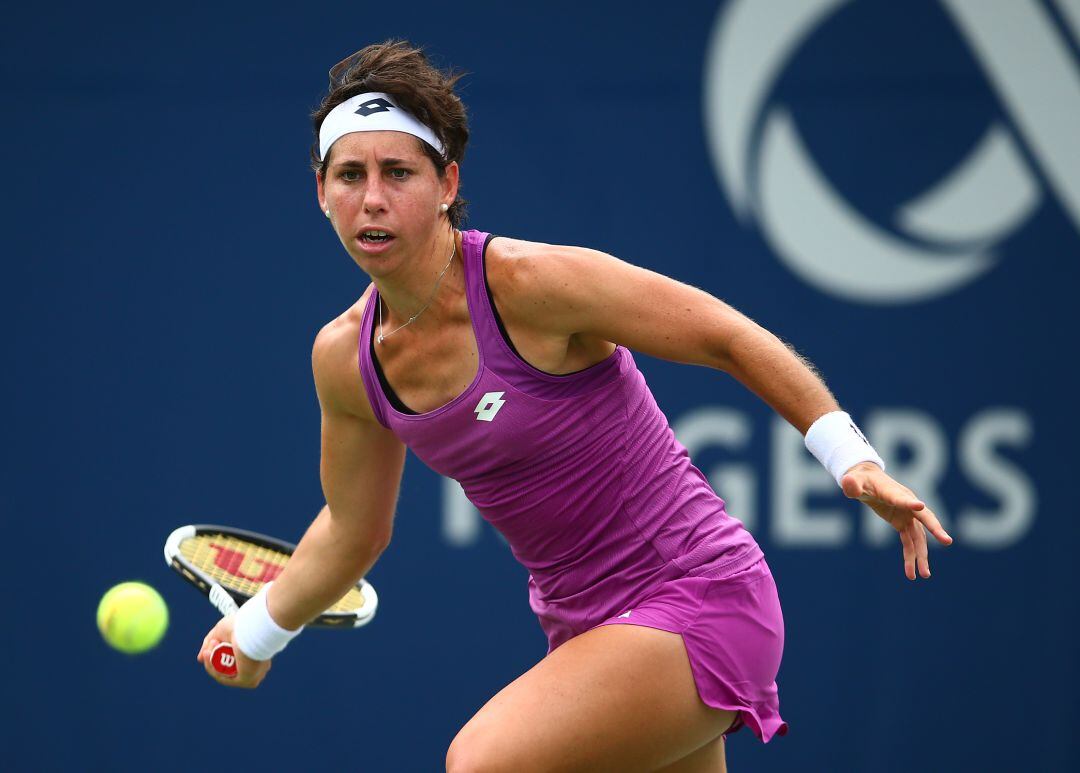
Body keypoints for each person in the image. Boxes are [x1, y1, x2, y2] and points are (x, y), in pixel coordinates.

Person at [197, 40, 952, 772]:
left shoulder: (531, 284)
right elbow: (352, 530)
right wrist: (257, 631)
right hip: (587, 629)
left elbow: (727, 337)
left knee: (483, 763)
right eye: (350, 174)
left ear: (447, 183)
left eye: (399, 172)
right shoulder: (344, 357)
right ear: (320, 190)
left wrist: (851, 457)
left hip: (698, 593)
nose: (372, 198)